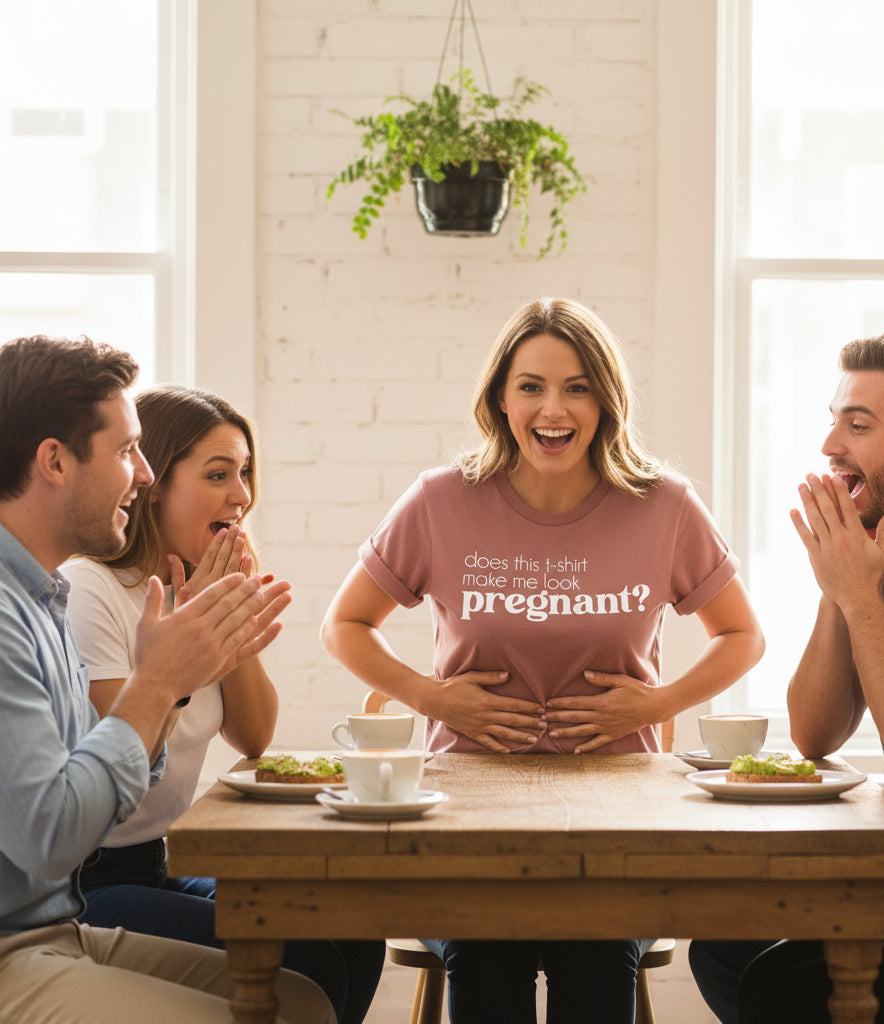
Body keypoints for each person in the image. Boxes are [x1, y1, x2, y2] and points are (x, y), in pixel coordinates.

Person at [320, 297, 765, 1023]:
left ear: (606, 400)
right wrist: (433, 698)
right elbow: (344, 624)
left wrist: (658, 704)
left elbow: (743, 635)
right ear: (500, 397)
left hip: (619, 820)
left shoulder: (664, 505)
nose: (553, 408)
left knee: (594, 958)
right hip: (463, 817)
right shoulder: (440, 500)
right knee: (487, 955)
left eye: (577, 386)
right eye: (531, 386)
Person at [0, 335, 330, 1023]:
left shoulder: (42, 598)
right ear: (54, 461)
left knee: (303, 999)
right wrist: (159, 683)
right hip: (17, 946)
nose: (144, 475)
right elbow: (58, 837)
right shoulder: (22, 608)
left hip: (54, 930)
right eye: (126, 451)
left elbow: (116, 790)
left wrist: (179, 673)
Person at [688, 334, 884, 1024]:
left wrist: (855, 595)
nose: (830, 444)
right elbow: (816, 732)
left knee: (783, 970)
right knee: (722, 945)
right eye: (833, 420)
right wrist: (841, 581)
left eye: (857, 425)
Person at [62, 384, 384, 1024]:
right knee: (307, 961)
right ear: (153, 483)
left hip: (158, 863)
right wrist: (183, 655)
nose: (241, 495)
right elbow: (116, 765)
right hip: (84, 884)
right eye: (217, 475)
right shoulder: (90, 588)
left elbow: (256, 736)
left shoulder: (196, 589)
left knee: (354, 926)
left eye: (244, 474)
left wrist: (228, 610)